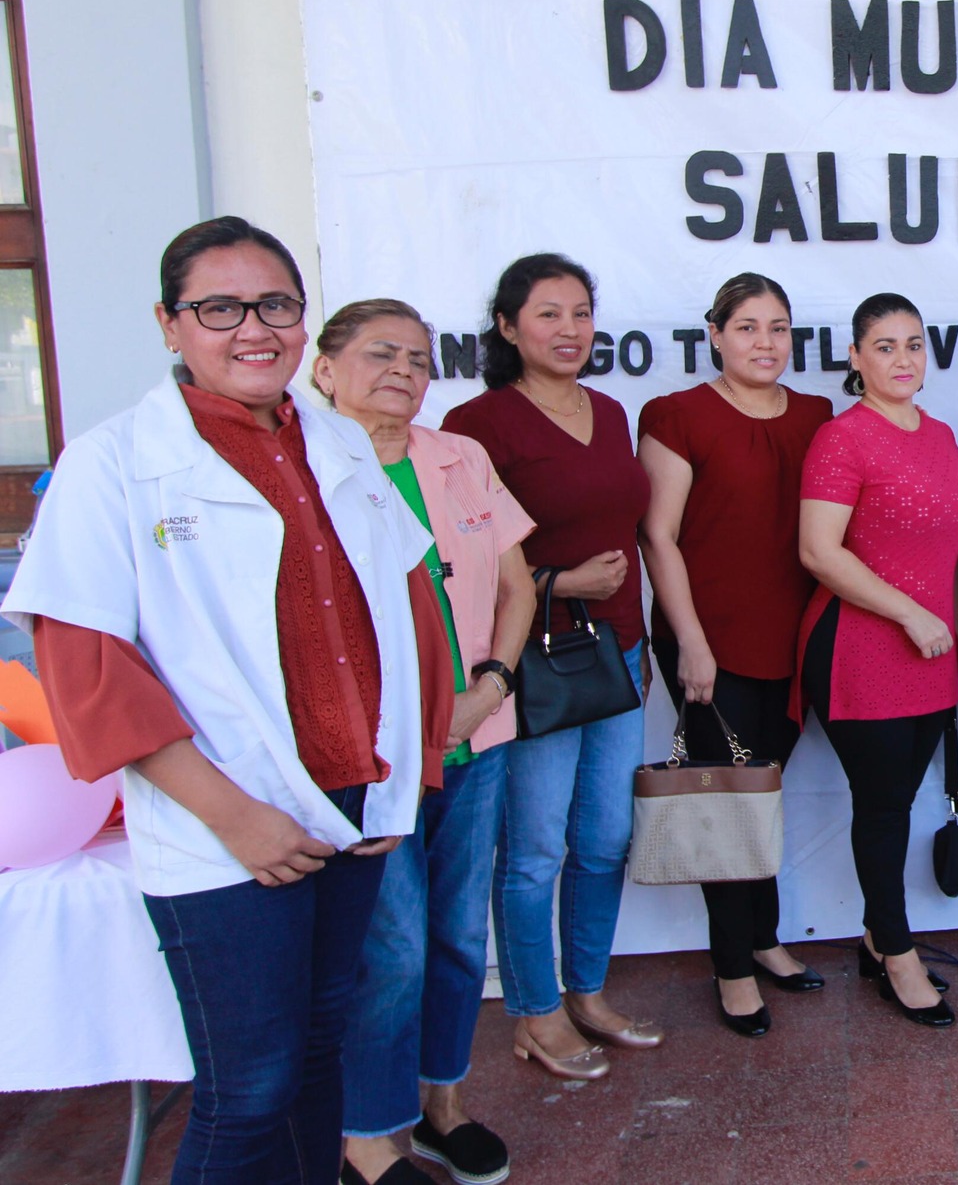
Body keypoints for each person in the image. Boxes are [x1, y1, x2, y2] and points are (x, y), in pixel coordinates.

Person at [4, 217, 452, 1184]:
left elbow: (407, 606)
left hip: (351, 812)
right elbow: (87, 668)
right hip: (228, 830)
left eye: (277, 305)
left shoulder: (337, 441)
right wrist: (238, 819)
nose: (254, 328)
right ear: (170, 324)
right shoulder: (114, 462)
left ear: (303, 322)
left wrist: (401, 778)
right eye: (220, 307)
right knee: (249, 1087)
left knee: (320, 1053)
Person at [316, 300, 536, 1185]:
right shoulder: (302, 468)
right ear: (325, 368)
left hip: (475, 738)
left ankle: (444, 1103)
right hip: (368, 754)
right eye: (380, 354)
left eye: (417, 357)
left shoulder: (460, 456)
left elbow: (518, 589)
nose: (404, 370)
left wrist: (487, 690)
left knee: (453, 933)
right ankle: (370, 1136)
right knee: (391, 944)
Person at [442, 254, 658, 1081]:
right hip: (532, 662)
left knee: (603, 837)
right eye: (547, 315)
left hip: (617, 651)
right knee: (533, 847)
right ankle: (534, 1011)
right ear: (506, 327)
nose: (569, 330)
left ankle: (589, 992)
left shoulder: (608, 410)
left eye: (580, 313)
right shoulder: (476, 424)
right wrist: (556, 581)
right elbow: (464, 552)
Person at [639, 273, 834, 1039]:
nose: (765, 342)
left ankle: (763, 936)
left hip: (794, 635)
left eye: (778, 327)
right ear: (715, 333)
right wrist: (690, 641)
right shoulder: (677, 414)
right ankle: (732, 967)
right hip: (710, 638)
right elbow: (658, 535)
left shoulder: (817, 414)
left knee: (763, 791)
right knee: (724, 804)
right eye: (748, 327)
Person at [796, 292, 958, 1028]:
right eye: (884, 345)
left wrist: (951, 629)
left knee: (898, 802)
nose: (902, 359)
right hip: (861, 648)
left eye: (914, 344)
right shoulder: (842, 439)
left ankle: (879, 933)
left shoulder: (939, 433)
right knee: (881, 806)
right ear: (855, 357)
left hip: (934, 651)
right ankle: (897, 954)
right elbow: (817, 550)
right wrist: (908, 612)